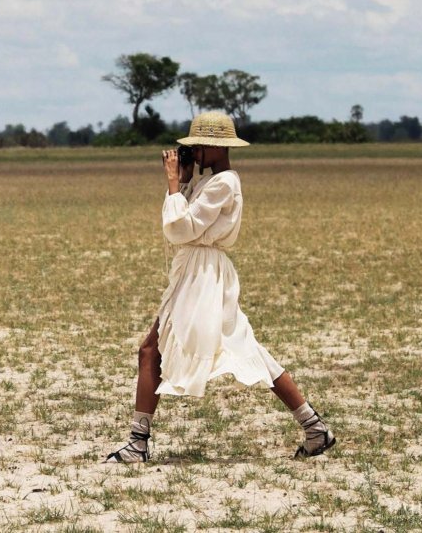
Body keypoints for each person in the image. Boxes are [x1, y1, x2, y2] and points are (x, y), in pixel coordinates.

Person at [105, 111, 335, 463]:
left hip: (203, 277)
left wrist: (171, 186)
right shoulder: (209, 182)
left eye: (198, 145)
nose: (193, 151)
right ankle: (314, 426)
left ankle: (138, 443)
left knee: (151, 349)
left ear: (215, 146)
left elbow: (179, 229)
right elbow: (182, 225)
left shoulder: (225, 183)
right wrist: (182, 183)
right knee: (244, 348)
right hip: (199, 273)